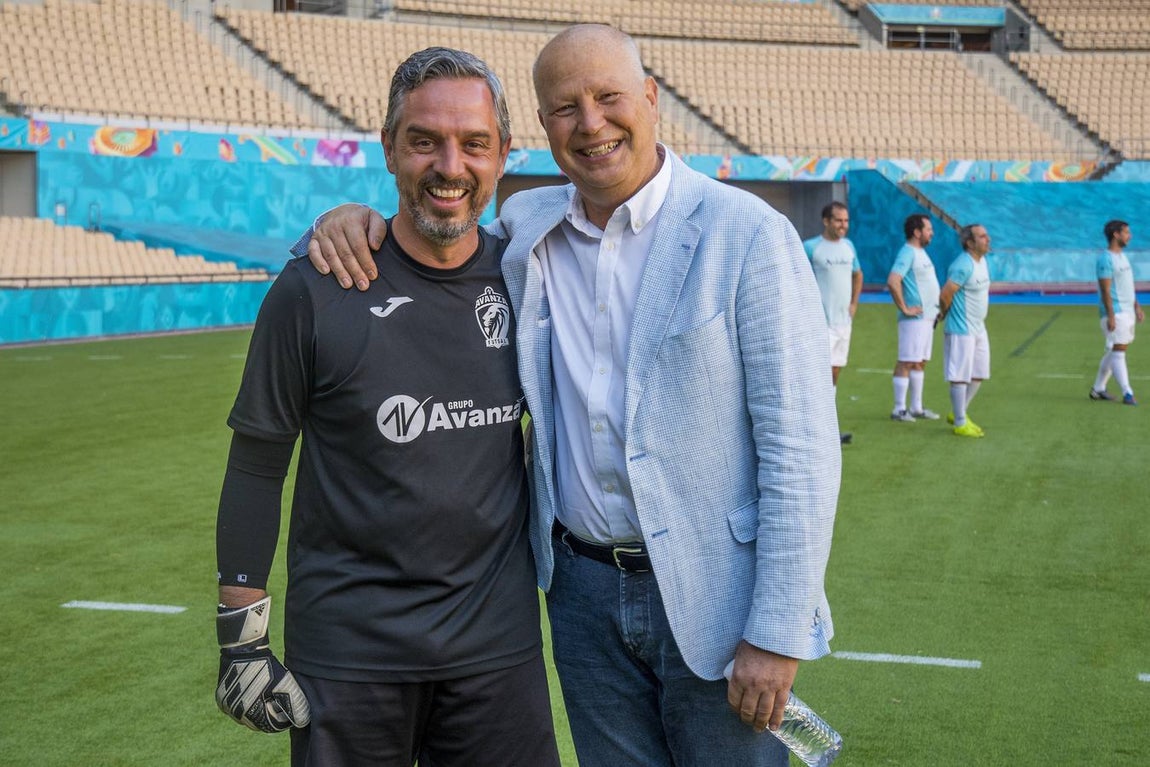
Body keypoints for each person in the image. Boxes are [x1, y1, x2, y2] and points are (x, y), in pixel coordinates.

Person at [303, 24, 840, 767]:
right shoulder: (526, 228)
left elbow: (801, 445)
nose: (590, 123)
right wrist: (348, 219)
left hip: (718, 598)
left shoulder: (747, 234)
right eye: (565, 107)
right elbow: (433, 229)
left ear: (650, 99)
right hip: (581, 596)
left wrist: (777, 630)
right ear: (542, 128)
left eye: (609, 96)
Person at [213, 47, 561, 767]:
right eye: (424, 140)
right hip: (348, 657)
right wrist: (239, 639)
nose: (450, 167)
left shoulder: (535, 280)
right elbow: (255, 465)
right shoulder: (313, 289)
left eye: (474, 143)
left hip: (496, 652)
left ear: (504, 155)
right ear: (389, 149)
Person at [804, 201, 862, 445]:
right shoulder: (810, 247)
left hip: (843, 322)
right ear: (826, 221)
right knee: (820, 373)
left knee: (835, 372)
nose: (843, 225)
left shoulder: (849, 247)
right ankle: (817, 429)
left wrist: (853, 304)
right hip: (820, 323)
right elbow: (797, 279)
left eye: (846, 221)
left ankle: (826, 428)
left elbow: (858, 275)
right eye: (838, 220)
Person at [938, 224, 992, 438]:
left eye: (986, 235)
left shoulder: (983, 261)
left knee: (979, 373)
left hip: (979, 327)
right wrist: (945, 313)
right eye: (982, 236)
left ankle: (958, 411)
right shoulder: (962, 265)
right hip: (962, 329)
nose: (987, 239)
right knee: (960, 376)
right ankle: (960, 422)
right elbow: (945, 294)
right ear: (969, 243)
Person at [886, 213, 941, 422]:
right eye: (928, 229)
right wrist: (905, 308)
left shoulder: (920, 253)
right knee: (907, 361)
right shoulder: (907, 252)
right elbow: (893, 280)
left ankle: (916, 407)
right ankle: (899, 409)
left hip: (927, 318)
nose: (931, 233)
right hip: (914, 320)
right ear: (917, 232)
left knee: (920, 362)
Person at [1089, 219, 1143, 405]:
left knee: (1114, 350)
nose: (1130, 236)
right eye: (1126, 232)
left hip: (1127, 311)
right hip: (1116, 312)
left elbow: (1127, 284)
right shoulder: (1105, 259)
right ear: (1116, 235)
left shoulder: (1122, 256)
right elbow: (1105, 289)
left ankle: (1098, 389)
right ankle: (1127, 393)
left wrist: (1136, 306)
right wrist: (1111, 315)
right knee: (1119, 351)